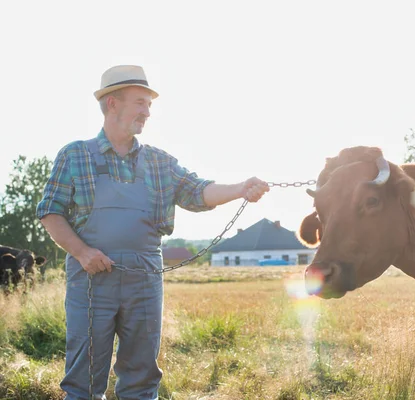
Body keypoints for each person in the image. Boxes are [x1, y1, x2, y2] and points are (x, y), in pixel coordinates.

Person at [36, 65, 270, 400]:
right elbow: (50, 212)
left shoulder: (160, 162)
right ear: (112, 103)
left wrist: (240, 188)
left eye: (149, 105)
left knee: (142, 379)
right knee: (83, 380)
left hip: (144, 279)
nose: (147, 112)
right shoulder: (74, 155)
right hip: (90, 280)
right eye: (140, 103)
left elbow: (198, 191)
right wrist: (82, 252)